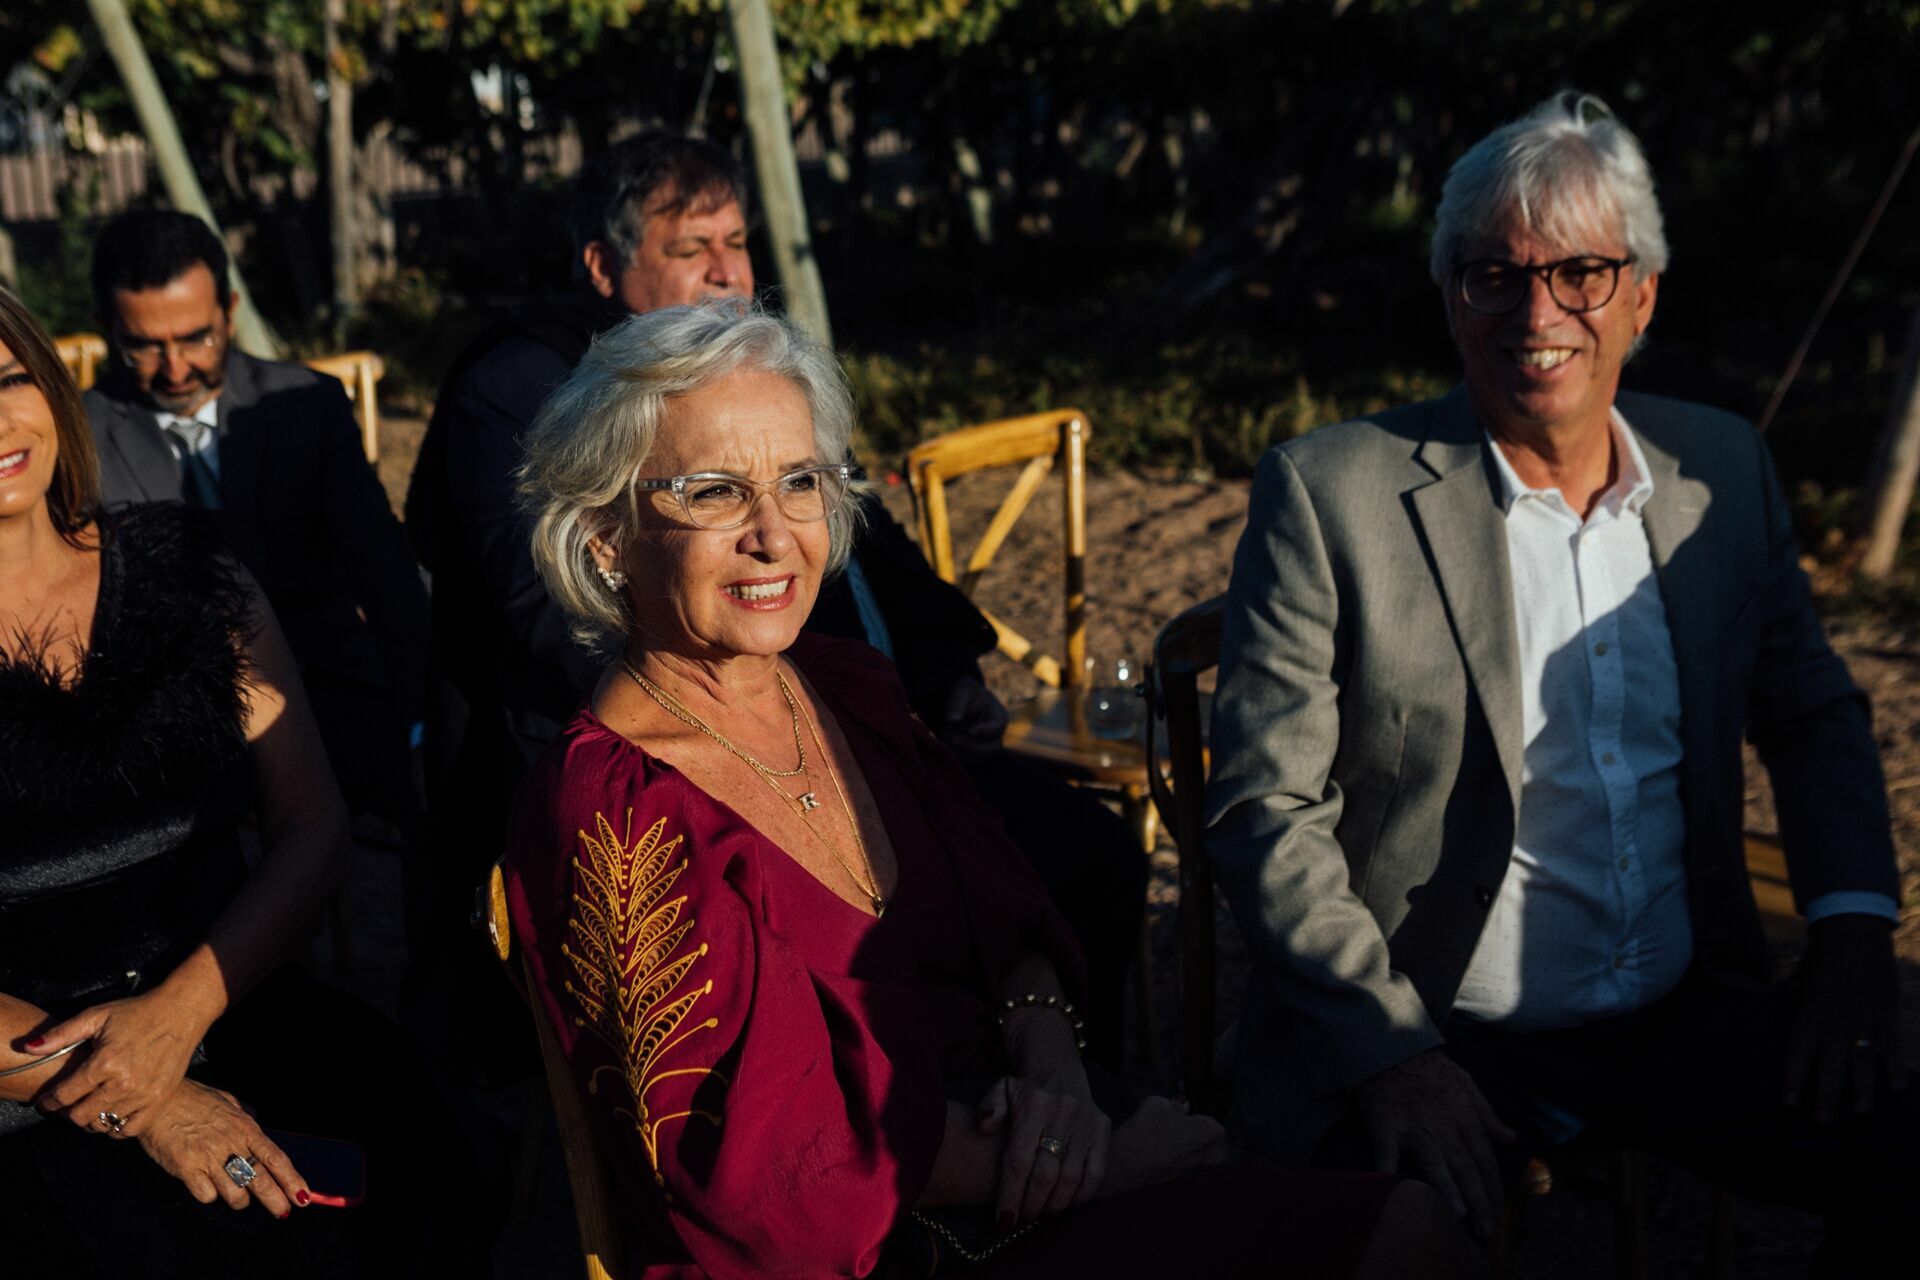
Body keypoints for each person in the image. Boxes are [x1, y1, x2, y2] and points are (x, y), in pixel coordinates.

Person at [503, 300, 1479, 1279]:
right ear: (605, 536)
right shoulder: (618, 811)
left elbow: (1006, 919)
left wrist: (1053, 1070)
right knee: (1396, 1239)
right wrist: (1091, 1158)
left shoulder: (847, 692)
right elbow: (779, 1178)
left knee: (1407, 1224)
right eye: (714, 490)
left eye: (800, 480)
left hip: (1014, 1156)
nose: (772, 532)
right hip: (870, 1246)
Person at [1206, 89, 1918, 1268]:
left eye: (1581, 274)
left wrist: (1851, 931)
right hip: (1432, 1013)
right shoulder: (1330, 492)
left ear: (1641, 295)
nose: (1538, 314)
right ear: (1451, 300)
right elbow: (1262, 806)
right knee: (1396, 1244)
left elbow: (1816, 708)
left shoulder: (1721, 471)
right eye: (1494, 275)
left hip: (1673, 1006)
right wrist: (1393, 1051)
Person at [409, 131, 1143, 1068]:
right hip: (682, 745)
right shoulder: (523, 390)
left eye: (736, 242)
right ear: (603, 266)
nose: (725, 271)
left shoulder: (761, 376)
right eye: (689, 249)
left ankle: (1076, 1083)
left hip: (841, 716)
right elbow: (552, 622)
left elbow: (867, 542)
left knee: (1066, 862)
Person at [0, 288, 469, 1276]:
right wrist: (151, 1092)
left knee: (423, 1165)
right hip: (20, 1075)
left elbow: (313, 824)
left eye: (9, 381)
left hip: (229, 997)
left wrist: (179, 1015)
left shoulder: (190, 571)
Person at [84, 208, 429, 841]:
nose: (176, 368)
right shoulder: (79, 435)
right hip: (175, 728)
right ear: (108, 329)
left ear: (230, 311)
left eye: (196, 337)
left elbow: (384, 572)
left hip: (332, 691)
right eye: (144, 346)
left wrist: (421, 714)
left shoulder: (307, 404)